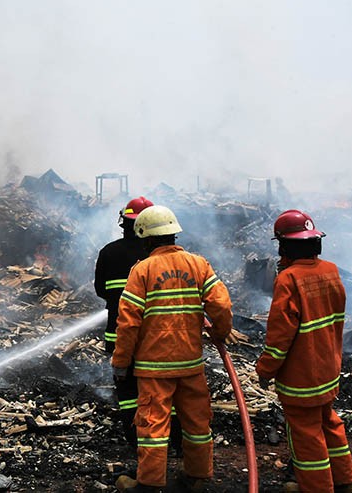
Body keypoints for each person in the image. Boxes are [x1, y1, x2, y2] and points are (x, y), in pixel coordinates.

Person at [112, 205, 233, 493]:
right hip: (191, 363)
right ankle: (196, 476)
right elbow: (222, 305)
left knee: (153, 426)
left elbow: (128, 322)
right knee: (197, 423)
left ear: (147, 239)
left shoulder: (142, 270)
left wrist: (121, 361)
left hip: (154, 367)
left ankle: (150, 483)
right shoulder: (198, 264)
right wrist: (220, 333)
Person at [255, 210, 352, 493]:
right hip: (328, 370)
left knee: (305, 434)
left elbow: (279, 337)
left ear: (284, 245)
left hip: (301, 378)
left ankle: (316, 487)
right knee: (330, 422)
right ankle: (345, 482)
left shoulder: (289, 280)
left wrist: (265, 370)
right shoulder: (331, 271)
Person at [94, 197, 182, 485]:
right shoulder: (163, 260)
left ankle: (138, 441)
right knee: (162, 392)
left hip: (119, 337)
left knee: (129, 392)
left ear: (124, 223)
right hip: (157, 341)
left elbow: (101, 291)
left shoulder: (109, 253)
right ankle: (174, 441)